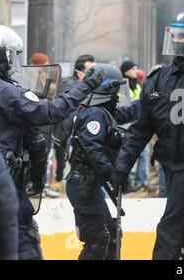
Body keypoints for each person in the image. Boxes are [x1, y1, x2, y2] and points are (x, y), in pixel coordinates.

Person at [113, 11, 184, 260]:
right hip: (169, 166)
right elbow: (141, 128)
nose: (178, 42)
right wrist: (121, 168)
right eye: (175, 36)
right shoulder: (159, 78)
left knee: (170, 227)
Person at [0, 24, 104, 260]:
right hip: (6, 186)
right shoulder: (6, 91)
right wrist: (86, 86)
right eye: (11, 55)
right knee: (24, 242)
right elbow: (50, 112)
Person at [66, 64, 136, 260]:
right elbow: (92, 148)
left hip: (90, 183)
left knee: (112, 232)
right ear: (107, 89)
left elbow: (128, 113)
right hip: (83, 185)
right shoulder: (94, 114)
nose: (118, 96)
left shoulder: (104, 112)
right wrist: (113, 174)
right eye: (116, 91)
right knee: (97, 240)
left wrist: (150, 101)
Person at [53, 55, 96, 182]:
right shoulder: (69, 84)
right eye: (90, 71)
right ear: (79, 73)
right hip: (68, 134)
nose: (93, 74)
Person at [120, 61, 149, 193]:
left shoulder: (137, 85)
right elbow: (124, 106)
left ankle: (140, 182)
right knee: (127, 155)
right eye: (133, 68)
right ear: (126, 71)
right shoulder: (122, 85)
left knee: (144, 154)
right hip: (126, 126)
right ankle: (126, 182)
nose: (136, 70)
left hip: (139, 123)